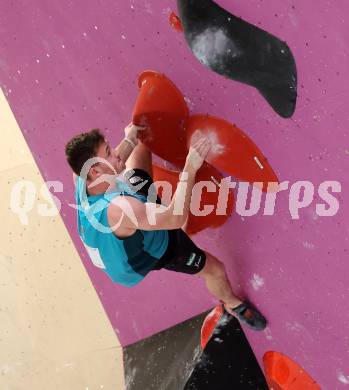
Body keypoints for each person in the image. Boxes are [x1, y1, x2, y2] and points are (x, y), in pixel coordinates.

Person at [65, 123, 267, 330]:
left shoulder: (82, 177)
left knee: (141, 148)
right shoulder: (121, 210)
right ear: (96, 171)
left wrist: (131, 138)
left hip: (130, 212)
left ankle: (145, 162)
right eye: (109, 152)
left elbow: (118, 161)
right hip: (156, 246)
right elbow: (175, 218)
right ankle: (233, 304)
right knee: (215, 270)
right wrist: (190, 166)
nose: (116, 153)